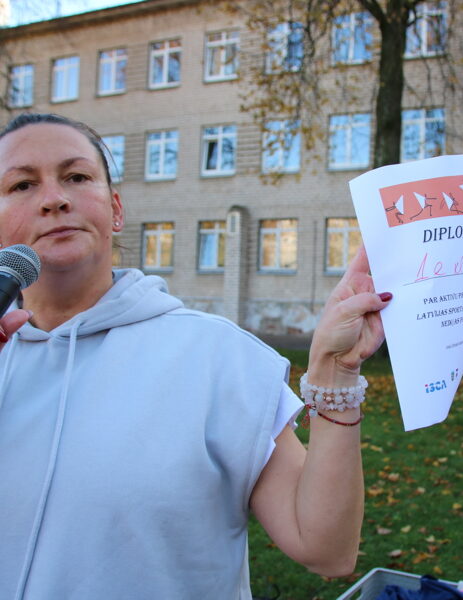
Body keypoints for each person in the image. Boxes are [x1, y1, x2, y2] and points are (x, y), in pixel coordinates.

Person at [0, 113, 392, 599]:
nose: (55, 199)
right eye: (22, 185)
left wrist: (336, 373)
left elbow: (326, 549)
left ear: (115, 210)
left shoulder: (216, 357)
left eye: (77, 177)